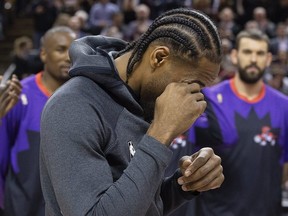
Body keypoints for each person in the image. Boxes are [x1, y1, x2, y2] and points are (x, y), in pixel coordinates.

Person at [40, 8, 224, 216]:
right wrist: (161, 133)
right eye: (191, 85)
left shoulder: (141, 100)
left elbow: (138, 204)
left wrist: (184, 184)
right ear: (159, 57)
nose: (195, 100)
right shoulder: (73, 105)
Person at [166, 29, 288, 216]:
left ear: (269, 59)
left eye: (260, 53)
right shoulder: (209, 99)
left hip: (267, 209)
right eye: (247, 52)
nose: (253, 59)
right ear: (235, 56)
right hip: (216, 211)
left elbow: (285, 166)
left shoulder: (284, 106)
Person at [0, 26, 76, 216]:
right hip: (21, 207)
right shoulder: (19, 95)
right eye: (60, 50)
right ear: (43, 54)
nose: (68, 57)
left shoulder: (83, 98)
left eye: (73, 51)